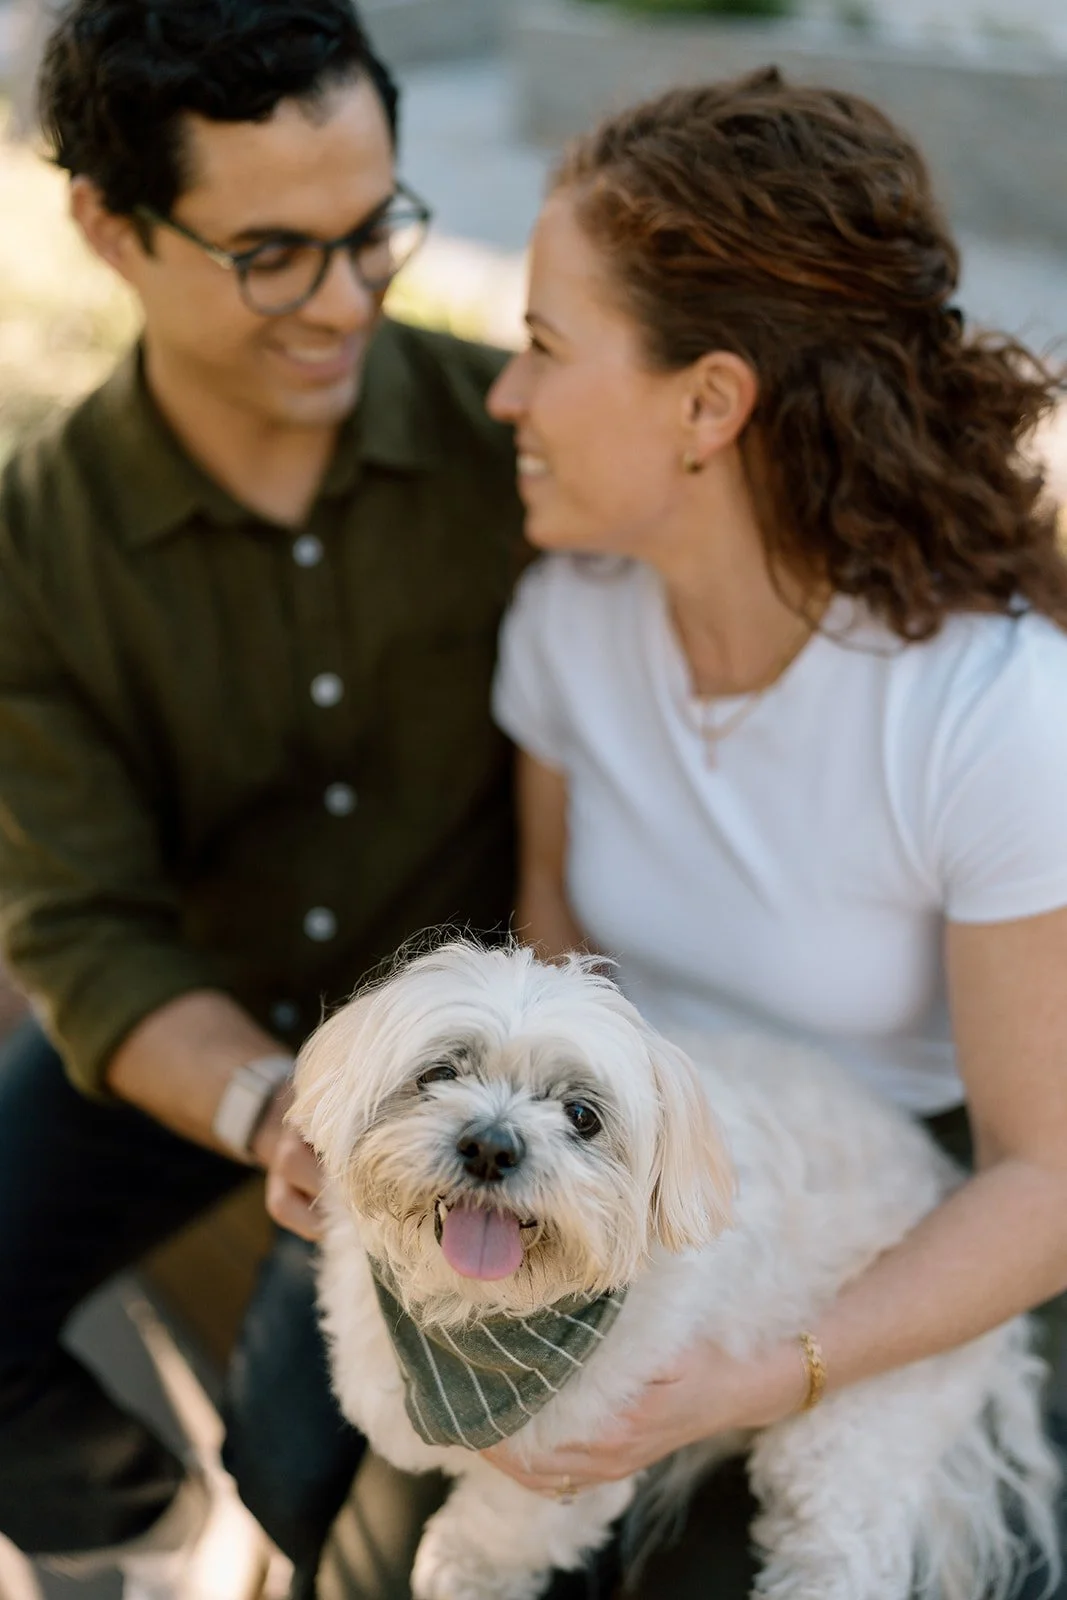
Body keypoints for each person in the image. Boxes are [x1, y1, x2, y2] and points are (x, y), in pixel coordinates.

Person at [482, 68, 1067, 1595]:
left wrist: (771, 1371)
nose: (504, 398)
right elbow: (556, 959)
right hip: (626, 1197)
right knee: (322, 1439)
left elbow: (1045, 1177)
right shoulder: (566, 619)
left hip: (883, 1252)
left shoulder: (989, 716)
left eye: (542, 350)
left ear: (709, 402)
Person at [0, 0, 523, 1593]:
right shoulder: (35, 541)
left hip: (474, 1080)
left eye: (372, 233)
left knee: (297, 1443)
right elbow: (82, 928)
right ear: (109, 224)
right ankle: (153, 1532)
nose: (346, 299)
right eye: (273, 253)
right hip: (204, 1040)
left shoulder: (514, 442)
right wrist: (264, 1100)